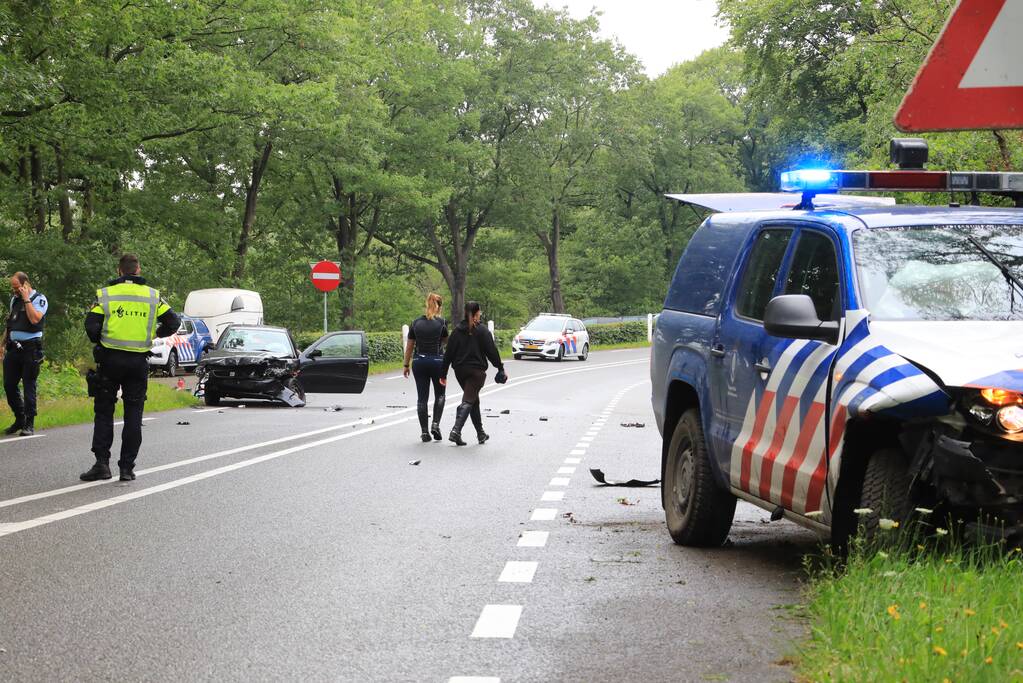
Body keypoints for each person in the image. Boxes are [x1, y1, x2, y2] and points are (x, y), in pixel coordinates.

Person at [80, 254, 180, 482]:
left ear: (119, 271)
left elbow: (91, 326)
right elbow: (174, 322)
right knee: (133, 414)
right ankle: (126, 468)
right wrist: (155, 334)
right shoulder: (154, 296)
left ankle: (102, 465)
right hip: (137, 362)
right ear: (138, 269)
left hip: (110, 360)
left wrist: (102, 340)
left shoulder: (105, 294)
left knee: (104, 411)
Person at [441, 301, 507, 446]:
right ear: (477, 313)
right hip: (476, 372)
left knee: (473, 400)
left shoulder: (457, 331)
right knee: (468, 401)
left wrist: (443, 374)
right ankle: (456, 430)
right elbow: (492, 352)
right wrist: (500, 367)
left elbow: (448, 354)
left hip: (460, 371)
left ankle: (480, 433)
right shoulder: (482, 331)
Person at [2, 272, 48, 436]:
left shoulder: (39, 299)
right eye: (13, 288)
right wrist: (2, 345)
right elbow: (11, 324)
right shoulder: (14, 300)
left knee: (29, 385)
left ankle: (29, 423)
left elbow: (35, 319)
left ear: (25, 284)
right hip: (13, 348)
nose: (14, 291)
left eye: (17, 287)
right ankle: (19, 418)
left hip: (31, 349)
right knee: (9, 385)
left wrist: (26, 298)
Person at [403, 293, 448, 442]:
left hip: (419, 362)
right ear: (439, 306)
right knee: (440, 395)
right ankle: (435, 424)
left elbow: (409, 346)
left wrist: (406, 364)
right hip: (437, 362)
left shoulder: (415, 323)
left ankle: (424, 432)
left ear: (426, 304)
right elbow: (446, 342)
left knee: (422, 398)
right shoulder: (442, 323)